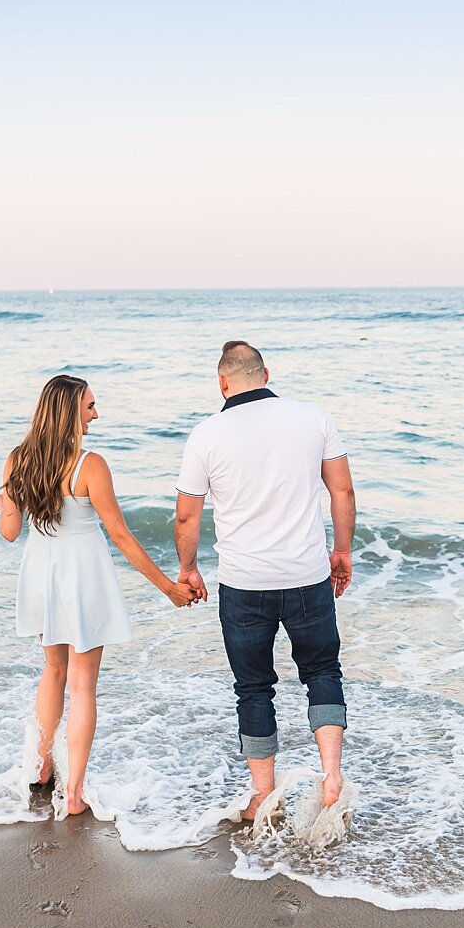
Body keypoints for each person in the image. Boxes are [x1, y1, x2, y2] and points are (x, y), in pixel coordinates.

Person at [0, 374, 199, 816]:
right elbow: (121, 536)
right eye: (90, 405)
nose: (96, 413)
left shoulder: (17, 460)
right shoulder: (90, 464)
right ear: (69, 410)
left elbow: (10, 532)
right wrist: (167, 588)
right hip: (82, 578)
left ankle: (42, 768)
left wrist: (2, 504)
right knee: (82, 685)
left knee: (52, 671)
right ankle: (74, 794)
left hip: (42, 577)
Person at [173, 342, 356, 820]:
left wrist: (188, 569)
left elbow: (186, 517)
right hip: (307, 575)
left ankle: (264, 796)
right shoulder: (312, 418)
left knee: (253, 687)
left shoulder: (206, 434)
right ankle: (331, 775)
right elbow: (342, 490)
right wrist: (341, 551)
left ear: (222, 383)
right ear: (266, 373)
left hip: (244, 582)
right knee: (322, 672)